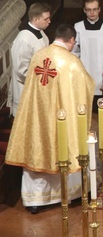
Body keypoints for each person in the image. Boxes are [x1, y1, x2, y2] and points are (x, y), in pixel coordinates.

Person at [5, 24, 95, 214]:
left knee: (37, 150)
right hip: (61, 119)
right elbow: (86, 86)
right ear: (71, 40)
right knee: (64, 148)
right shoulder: (71, 62)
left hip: (37, 116)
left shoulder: (39, 55)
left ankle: (35, 200)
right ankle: (69, 193)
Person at [8, 3, 51, 117]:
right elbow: (21, 68)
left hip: (41, 84)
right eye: (46, 19)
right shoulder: (23, 39)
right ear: (36, 19)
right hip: (28, 87)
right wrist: (39, 80)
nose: (49, 21)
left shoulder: (41, 32)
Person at [72, 0, 103, 95]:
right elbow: (74, 51)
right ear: (84, 10)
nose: (92, 12)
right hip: (84, 69)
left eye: (94, 9)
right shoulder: (78, 27)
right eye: (89, 10)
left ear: (99, 9)